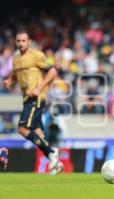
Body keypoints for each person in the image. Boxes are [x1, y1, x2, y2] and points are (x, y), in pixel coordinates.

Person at [4, 31, 64, 175]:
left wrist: (39, 88)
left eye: (24, 41)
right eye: (18, 41)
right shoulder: (16, 59)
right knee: (38, 132)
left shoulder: (36, 55)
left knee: (22, 129)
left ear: (29, 42)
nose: (21, 44)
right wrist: (10, 81)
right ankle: (57, 163)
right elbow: (15, 76)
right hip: (26, 99)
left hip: (37, 97)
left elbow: (53, 72)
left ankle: (51, 153)